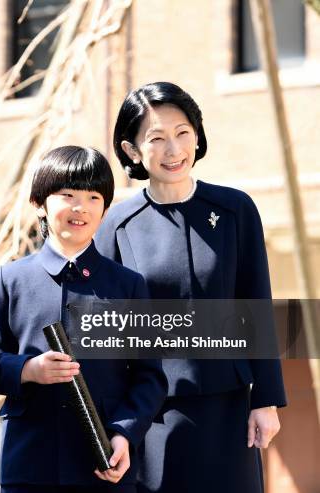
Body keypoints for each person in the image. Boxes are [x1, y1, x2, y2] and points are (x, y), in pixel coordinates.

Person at [94, 81, 286, 493]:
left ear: (197, 136)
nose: (173, 150)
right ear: (132, 150)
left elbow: (257, 304)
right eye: (156, 138)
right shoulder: (115, 224)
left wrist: (265, 399)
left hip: (229, 408)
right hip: (152, 414)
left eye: (182, 133)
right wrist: (116, 424)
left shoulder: (235, 209)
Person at [0, 146, 167, 493]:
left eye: (93, 196)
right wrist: (29, 370)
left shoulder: (128, 285)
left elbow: (150, 378)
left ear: (105, 208)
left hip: (104, 466)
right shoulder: (10, 280)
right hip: (30, 465)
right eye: (67, 195)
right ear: (39, 205)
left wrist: (124, 433)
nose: (81, 207)